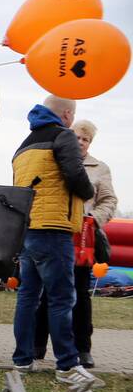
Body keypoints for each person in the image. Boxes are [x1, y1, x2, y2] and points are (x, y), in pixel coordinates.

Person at [11, 96, 100, 389]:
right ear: (66, 114)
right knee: (62, 298)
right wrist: (87, 192)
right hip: (55, 228)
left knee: (27, 297)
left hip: (28, 229)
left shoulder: (24, 145)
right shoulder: (63, 136)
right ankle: (67, 365)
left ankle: (22, 360)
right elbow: (75, 175)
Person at [32, 119, 118, 369]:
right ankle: (38, 344)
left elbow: (109, 201)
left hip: (83, 239)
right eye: (77, 137)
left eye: (85, 139)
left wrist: (94, 220)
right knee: (48, 291)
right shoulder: (54, 159)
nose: (80, 142)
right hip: (54, 231)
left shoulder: (100, 168)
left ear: (90, 143)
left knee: (80, 294)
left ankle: (83, 349)